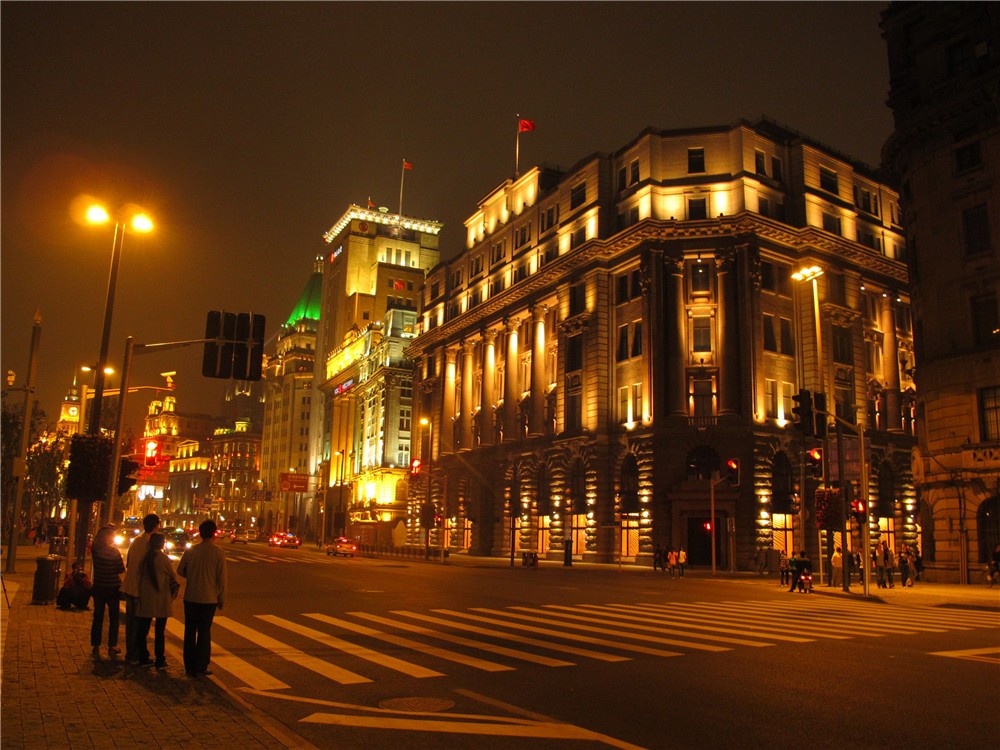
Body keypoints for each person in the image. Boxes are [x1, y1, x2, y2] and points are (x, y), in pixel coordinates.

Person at [178, 519, 227, 677]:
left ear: (200, 533)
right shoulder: (218, 553)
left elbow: (180, 570)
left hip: (191, 596)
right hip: (209, 599)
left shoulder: (192, 550)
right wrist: (221, 598)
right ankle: (201, 665)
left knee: (190, 631)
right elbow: (221, 579)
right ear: (214, 534)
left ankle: (189, 665)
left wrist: (192, 576)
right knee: (204, 632)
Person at [134, 533, 180, 669]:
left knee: (143, 630)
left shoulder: (144, 559)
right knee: (160, 632)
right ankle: (160, 659)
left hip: (146, 598)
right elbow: (174, 577)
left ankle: (143, 657)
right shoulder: (163, 559)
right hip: (161, 598)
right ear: (161, 544)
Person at [121, 513, 160, 664]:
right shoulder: (150, 544)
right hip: (139, 588)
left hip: (129, 586)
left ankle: (130, 652)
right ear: (156, 527)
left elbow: (128, 563)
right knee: (139, 624)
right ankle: (135, 654)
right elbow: (150, 568)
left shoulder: (136, 541)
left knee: (131, 623)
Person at [89, 526, 125, 658]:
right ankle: (112, 645)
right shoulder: (114, 552)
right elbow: (120, 569)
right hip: (112, 588)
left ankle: (96, 644)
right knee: (114, 618)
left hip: (98, 587)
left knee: (98, 617)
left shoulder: (95, 550)